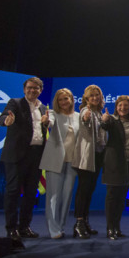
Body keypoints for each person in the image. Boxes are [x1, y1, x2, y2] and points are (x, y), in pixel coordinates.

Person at [0, 77, 48, 242]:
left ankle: (24, 227)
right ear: (24, 89)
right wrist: (6, 120)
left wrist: (47, 124)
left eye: (36, 88)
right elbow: (3, 117)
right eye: (29, 88)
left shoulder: (43, 108)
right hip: (17, 156)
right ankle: (11, 229)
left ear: (41, 90)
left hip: (36, 155)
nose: (32, 91)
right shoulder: (16, 103)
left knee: (31, 193)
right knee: (12, 192)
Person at [39, 88, 80, 239]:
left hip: (72, 161)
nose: (63, 102)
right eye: (60, 99)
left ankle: (61, 226)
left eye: (66, 99)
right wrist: (45, 122)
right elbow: (49, 122)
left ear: (71, 100)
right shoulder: (52, 114)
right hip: (55, 160)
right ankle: (53, 229)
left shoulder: (78, 116)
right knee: (53, 196)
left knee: (66, 195)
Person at [100, 95, 129, 240]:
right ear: (116, 107)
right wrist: (104, 120)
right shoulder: (112, 120)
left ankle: (117, 227)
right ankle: (110, 228)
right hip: (114, 163)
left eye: (126, 105)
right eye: (120, 105)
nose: (123, 108)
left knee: (122, 198)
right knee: (112, 196)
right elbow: (105, 126)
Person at [71, 84, 107, 238]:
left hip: (97, 156)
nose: (94, 98)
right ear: (86, 98)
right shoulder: (86, 111)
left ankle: (85, 221)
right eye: (91, 96)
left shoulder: (99, 113)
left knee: (90, 190)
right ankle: (78, 223)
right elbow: (85, 120)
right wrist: (86, 118)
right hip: (86, 157)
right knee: (83, 189)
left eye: (96, 95)